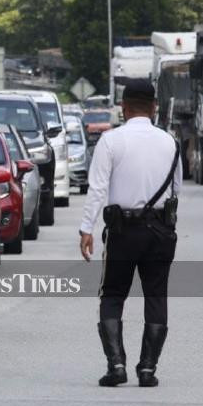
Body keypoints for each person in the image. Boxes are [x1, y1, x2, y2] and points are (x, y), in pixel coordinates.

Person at [79, 79, 181, 388]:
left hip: (123, 231)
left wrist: (87, 229)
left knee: (112, 294)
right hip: (161, 231)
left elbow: (96, 189)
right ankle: (148, 369)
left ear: (123, 108)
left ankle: (117, 365)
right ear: (154, 108)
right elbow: (176, 190)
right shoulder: (170, 141)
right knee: (156, 294)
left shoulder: (111, 141)